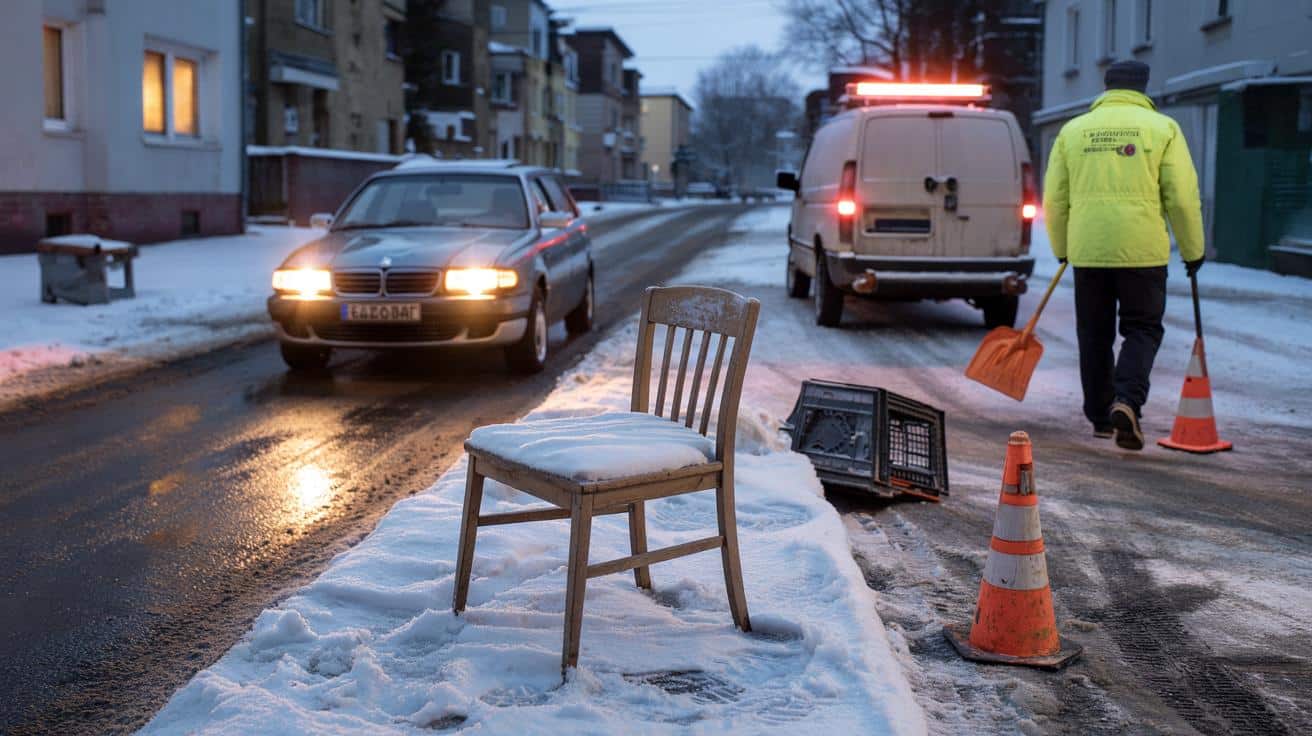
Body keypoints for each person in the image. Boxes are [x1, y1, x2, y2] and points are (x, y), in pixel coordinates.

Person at [1042, 60, 1205, 451]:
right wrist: (1193, 250)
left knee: (1094, 333)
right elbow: (1181, 198)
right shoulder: (1163, 128)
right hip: (1142, 251)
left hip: (1089, 252)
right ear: (1143, 87)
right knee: (1142, 328)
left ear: (1106, 86)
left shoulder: (1073, 131)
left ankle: (1100, 416)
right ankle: (1127, 401)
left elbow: (1055, 199)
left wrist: (1062, 248)